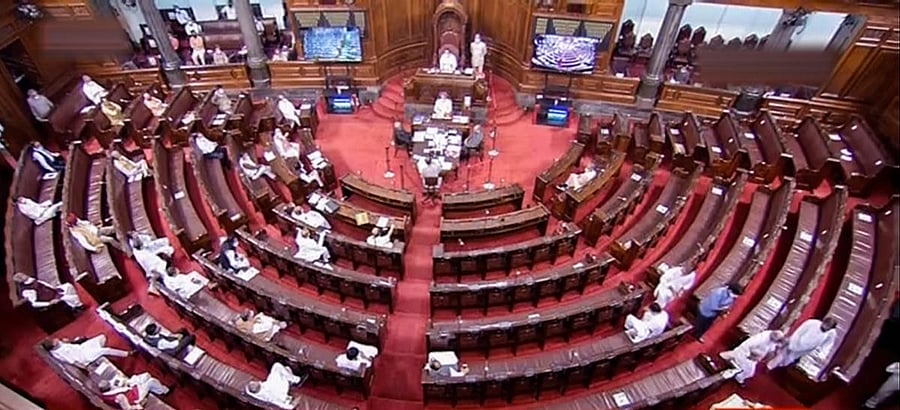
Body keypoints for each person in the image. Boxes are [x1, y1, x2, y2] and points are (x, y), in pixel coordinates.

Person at [767, 317, 838, 370]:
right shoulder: (812, 323)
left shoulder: (831, 333)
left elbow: (828, 345)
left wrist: (822, 354)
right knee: (782, 355)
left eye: (828, 328)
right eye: (826, 326)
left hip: (805, 349)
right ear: (823, 322)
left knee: (787, 360)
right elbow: (799, 333)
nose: (826, 329)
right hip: (796, 341)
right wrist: (792, 344)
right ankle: (769, 367)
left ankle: (776, 367)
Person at [720, 330, 785, 385]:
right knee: (748, 371)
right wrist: (751, 356)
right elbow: (748, 345)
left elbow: (771, 349)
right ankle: (737, 378)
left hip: (754, 357)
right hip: (746, 354)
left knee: (749, 372)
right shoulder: (761, 338)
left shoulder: (772, 339)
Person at [43, 335, 131, 368]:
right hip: (84, 357)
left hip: (82, 348)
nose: (54, 339)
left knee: (102, 337)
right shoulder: (59, 353)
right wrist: (86, 367)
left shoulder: (58, 343)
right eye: (53, 341)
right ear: (53, 346)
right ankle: (127, 354)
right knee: (105, 350)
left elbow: (68, 342)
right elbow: (73, 362)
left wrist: (67, 341)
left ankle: (98, 354)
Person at [13, 272, 84, 310]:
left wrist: (54, 288)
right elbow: (34, 303)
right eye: (21, 276)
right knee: (71, 297)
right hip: (49, 298)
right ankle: (78, 306)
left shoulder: (32, 280)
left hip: (54, 292)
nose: (24, 275)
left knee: (68, 286)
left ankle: (73, 305)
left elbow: (44, 284)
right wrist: (49, 303)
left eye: (22, 274)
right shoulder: (26, 290)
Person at [98, 372, 169, 409]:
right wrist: (138, 405)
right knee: (151, 381)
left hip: (132, 390)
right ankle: (165, 391)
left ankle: (157, 390)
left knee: (145, 375)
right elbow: (128, 408)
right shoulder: (119, 397)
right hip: (136, 397)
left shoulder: (104, 395)